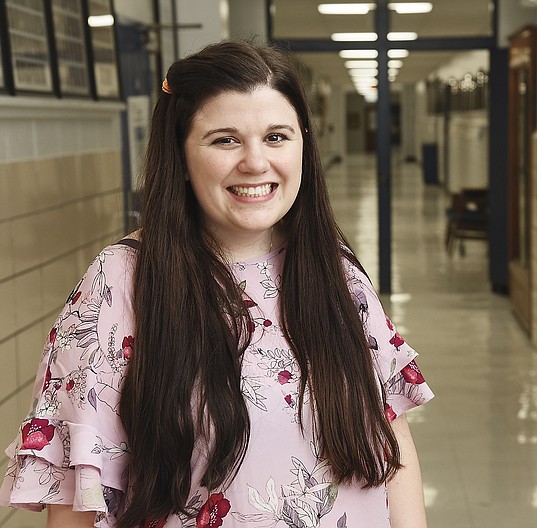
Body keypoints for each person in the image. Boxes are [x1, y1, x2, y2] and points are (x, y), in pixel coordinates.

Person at [0, 40, 433, 528]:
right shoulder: (122, 282)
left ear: (303, 147)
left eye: (276, 137)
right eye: (225, 139)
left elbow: (391, 447)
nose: (255, 162)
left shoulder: (335, 271)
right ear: (181, 156)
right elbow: (77, 504)